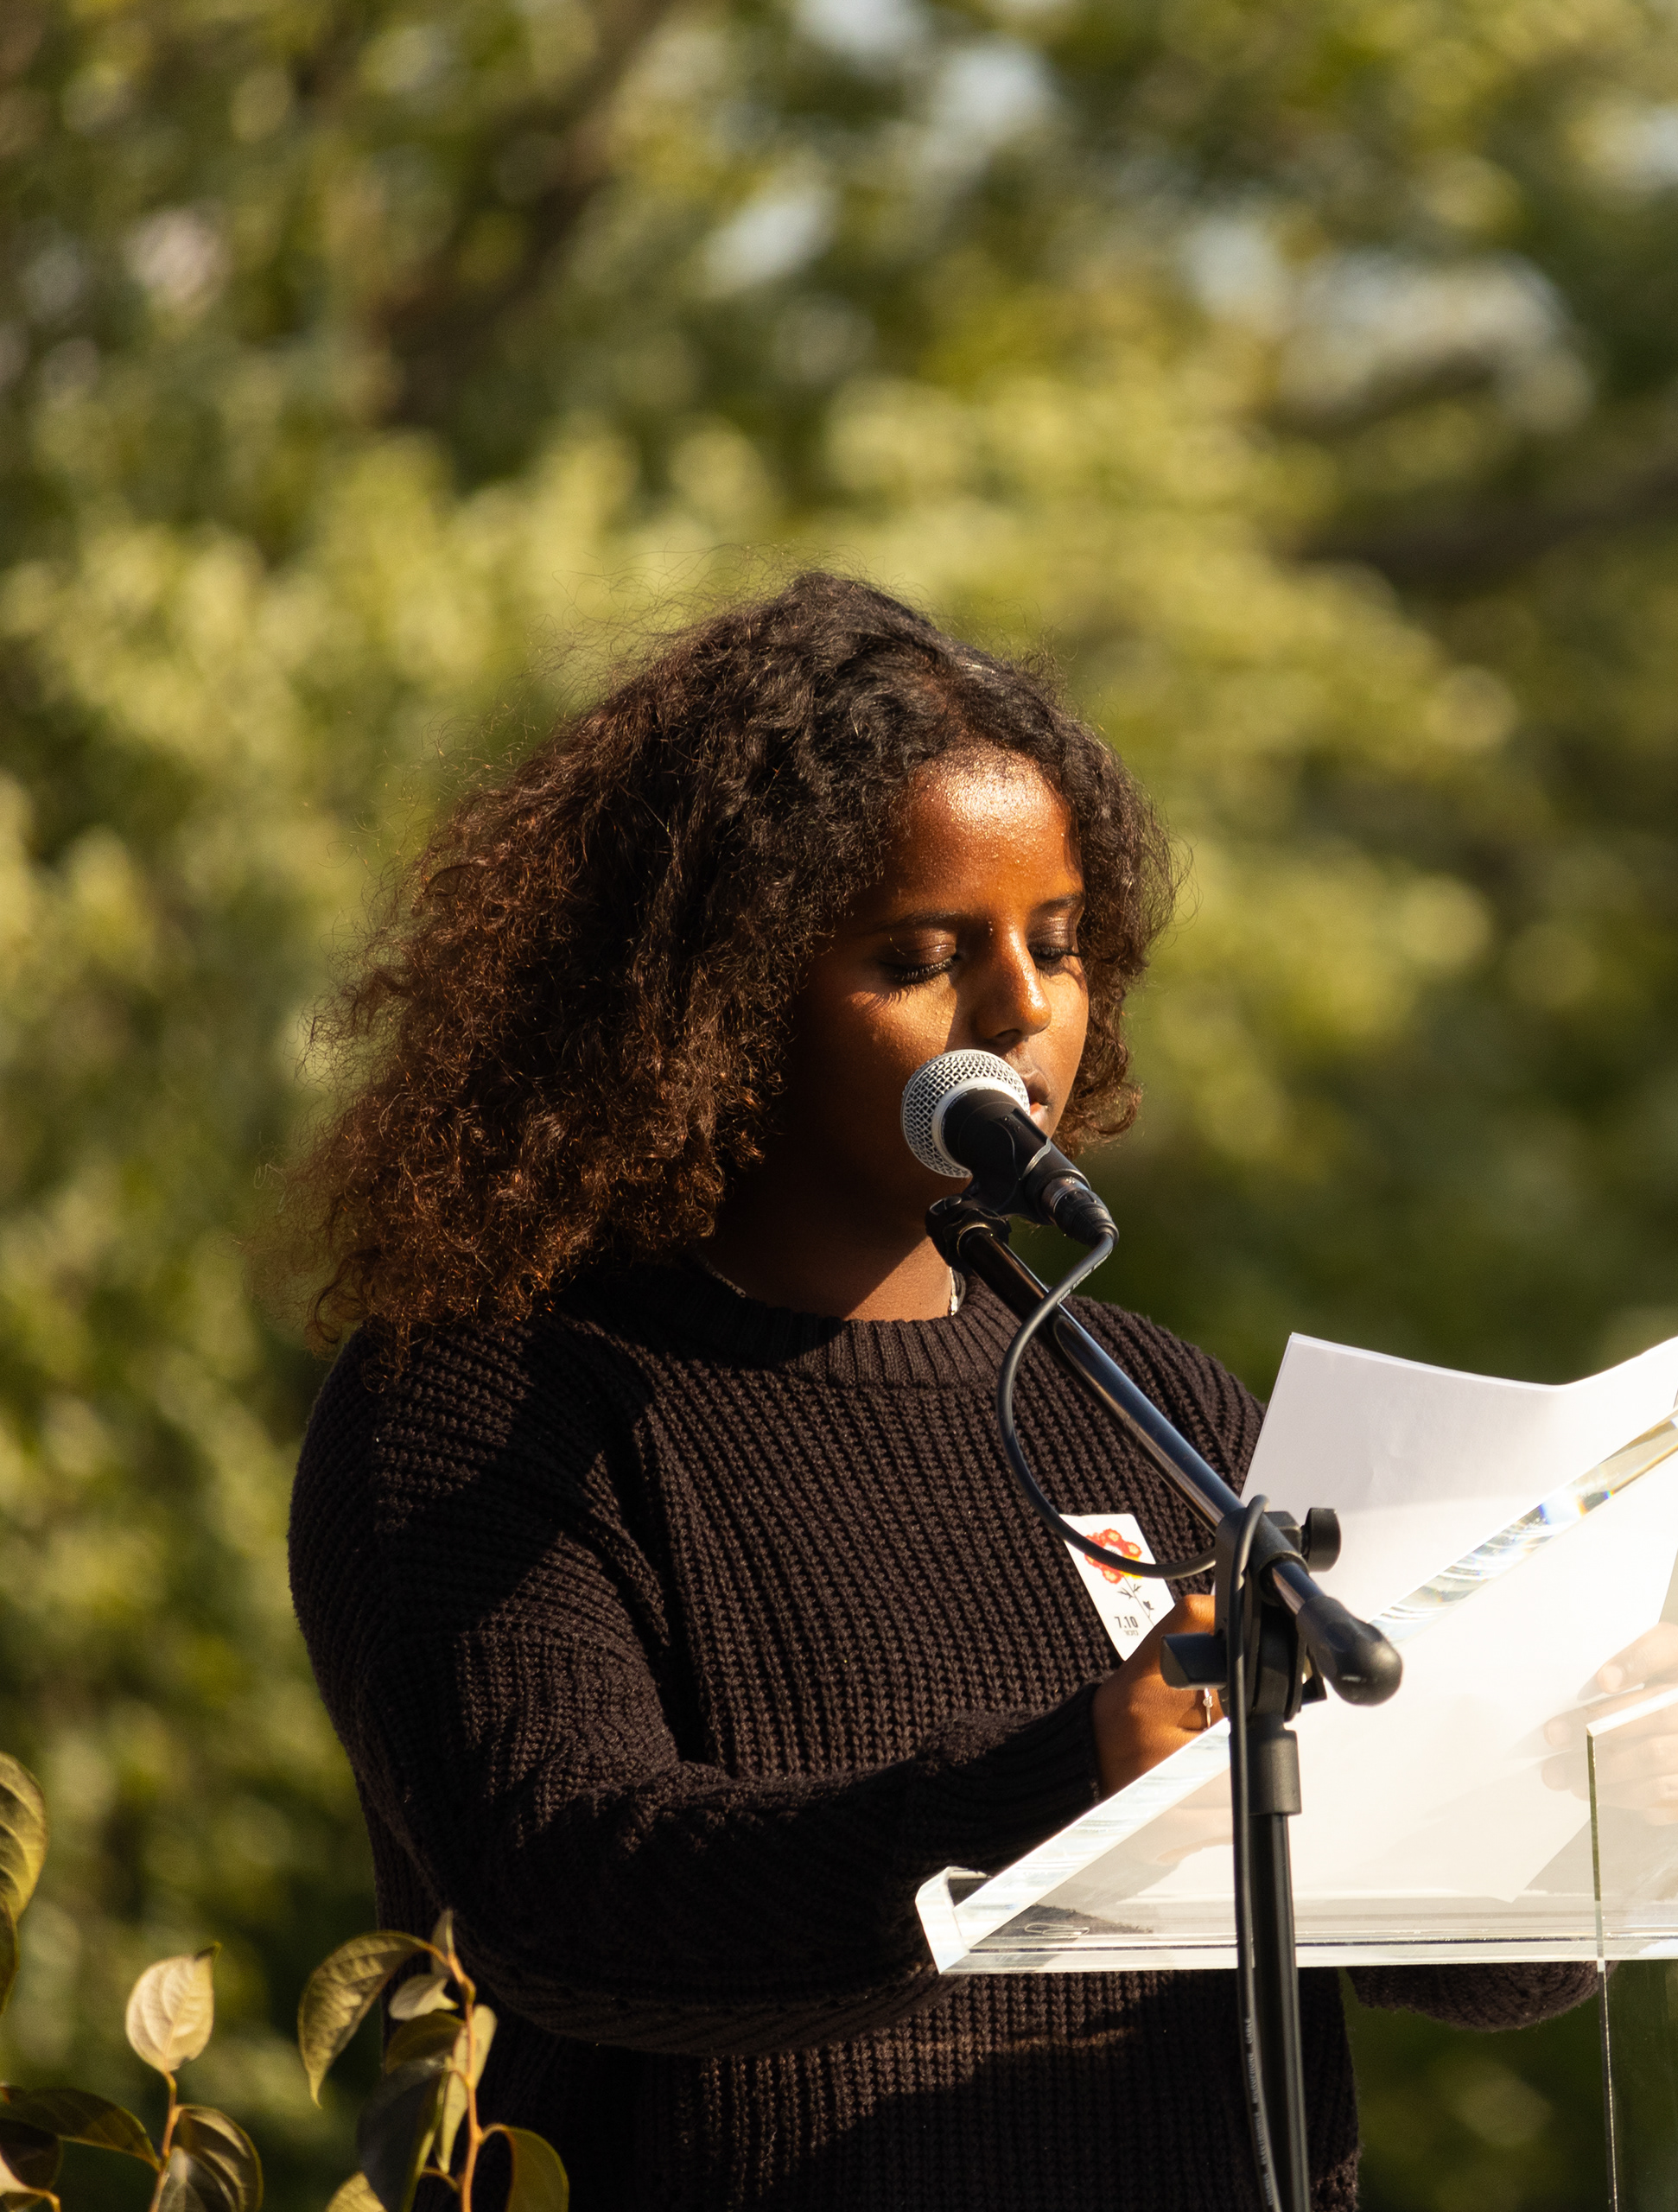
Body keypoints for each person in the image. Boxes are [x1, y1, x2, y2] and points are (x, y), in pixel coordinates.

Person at [283, 573, 1595, 2209]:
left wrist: (1574, 1793)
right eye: (925, 954)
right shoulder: (484, 1405)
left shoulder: (1155, 1410)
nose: (1025, 1009)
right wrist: (1070, 1781)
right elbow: (569, 1898)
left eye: (1059, 942)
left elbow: (1455, 1960)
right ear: (714, 1002)